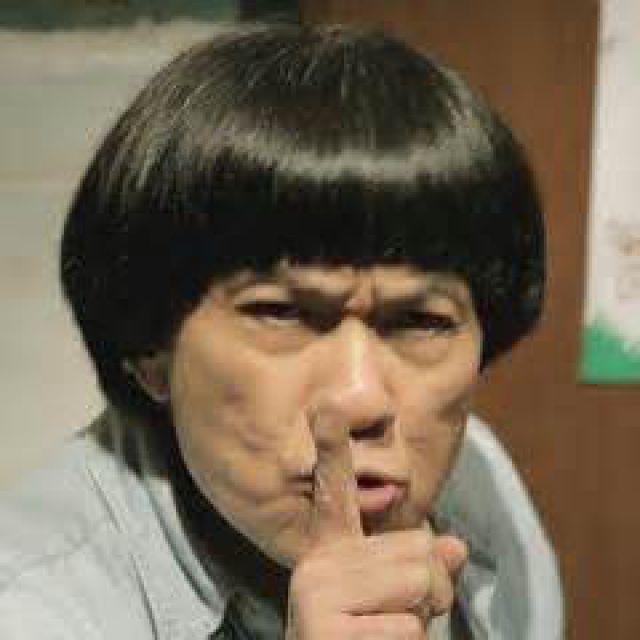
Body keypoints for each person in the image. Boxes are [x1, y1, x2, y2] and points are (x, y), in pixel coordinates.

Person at [0, 23, 563, 639]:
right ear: (152, 350)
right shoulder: (33, 609)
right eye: (282, 314)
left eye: (421, 321)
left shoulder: (479, 481)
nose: (361, 400)